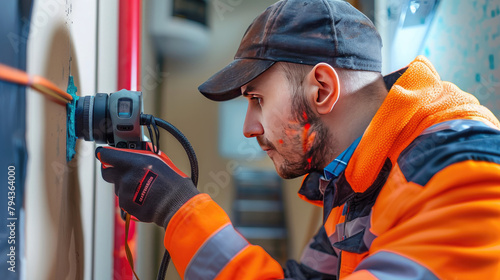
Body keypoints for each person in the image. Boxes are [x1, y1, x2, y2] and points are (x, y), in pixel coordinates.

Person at [96, 0, 500, 279]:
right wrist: (176, 206)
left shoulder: (458, 172)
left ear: (321, 89)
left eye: (257, 99)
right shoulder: (354, 180)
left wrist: (178, 208)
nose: (248, 127)